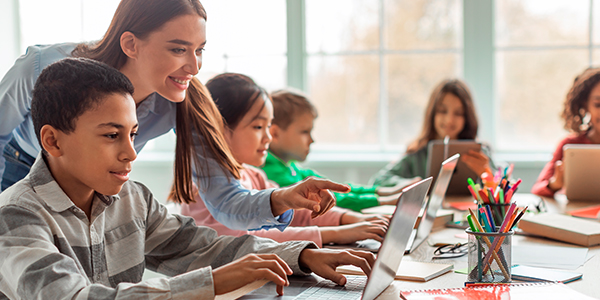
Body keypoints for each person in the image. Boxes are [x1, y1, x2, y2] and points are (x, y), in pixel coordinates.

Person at [0, 57, 375, 299]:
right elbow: (74, 297)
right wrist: (213, 282)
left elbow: (205, 248)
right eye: (111, 136)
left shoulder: (133, 199)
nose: (131, 152)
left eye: (133, 134)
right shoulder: (15, 216)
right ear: (52, 140)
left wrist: (305, 256)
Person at [0, 0, 349, 231]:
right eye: (178, 49)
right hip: (19, 170)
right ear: (131, 44)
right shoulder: (42, 65)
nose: (194, 66)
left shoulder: (181, 101)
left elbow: (224, 199)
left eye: (199, 50)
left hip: (91, 184)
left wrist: (283, 197)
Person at [178, 73, 389, 247]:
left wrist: (356, 221)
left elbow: (297, 213)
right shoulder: (204, 189)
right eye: (258, 127)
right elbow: (248, 241)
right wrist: (336, 233)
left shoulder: (255, 176)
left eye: (268, 127)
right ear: (220, 129)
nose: (269, 137)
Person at [261, 89, 412, 212]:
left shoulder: (290, 167)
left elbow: (336, 187)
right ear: (275, 134)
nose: (312, 140)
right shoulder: (269, 171)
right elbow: (328, 200)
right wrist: (385, 200)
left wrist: (383, 191)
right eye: (305, 132)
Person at [370, 79, 494, 187]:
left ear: (467, 117)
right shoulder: (417, 153)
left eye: (458, 113)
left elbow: (508, 185)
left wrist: (488, 174)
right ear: (432, 113)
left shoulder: (479, 153)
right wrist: (411, 185)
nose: (449, 120)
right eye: (442, 111)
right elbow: (378, 181)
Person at [531, 67, 600, 197]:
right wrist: (556, 183)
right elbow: (537, 189)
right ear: (585, 105)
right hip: (576, 214)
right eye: (598, 104)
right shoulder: (570, 144)